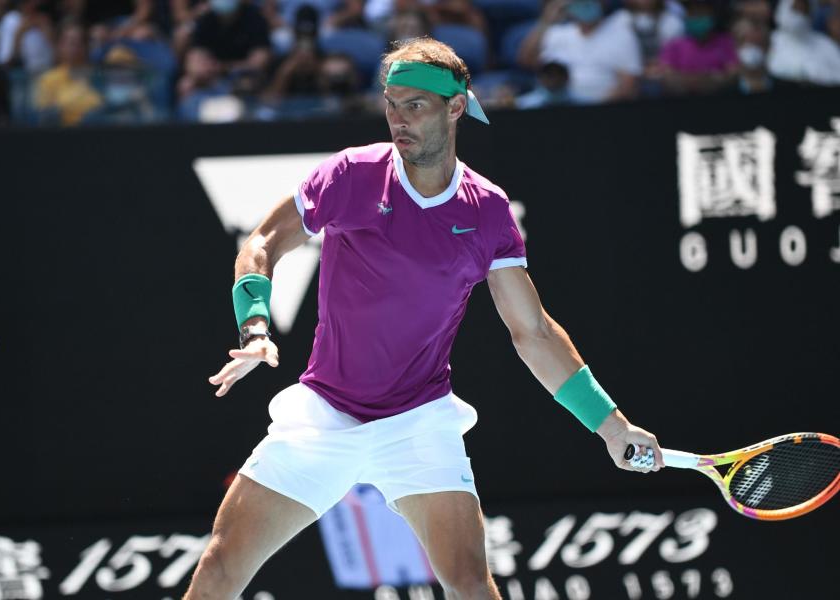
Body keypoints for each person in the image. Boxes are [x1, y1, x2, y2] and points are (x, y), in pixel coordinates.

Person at [185, 37, 664, 600]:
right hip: (324, 415)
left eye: (416, 105)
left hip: (417, 423)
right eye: (392, 103)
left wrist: (612, 427)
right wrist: (256, 325)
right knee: (218, 570)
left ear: (454, 108)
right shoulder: (352, 175)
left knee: (469, 585)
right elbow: (262, 242)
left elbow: (532, 332)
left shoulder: (486, 211)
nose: (399, 119)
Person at [519, 0, 643, 103]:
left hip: (600, 111)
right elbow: (526, 60)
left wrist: (589, 110)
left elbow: (628, 87)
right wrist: (546, 21)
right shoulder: (556, 33)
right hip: (555, 106)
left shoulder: (621, 35)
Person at [657, 0, 739, 95]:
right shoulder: (674, 45)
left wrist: (698, 80)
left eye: (701, 13)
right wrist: (710, 78)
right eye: (693, 13)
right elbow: (667, 76)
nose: (697, 17)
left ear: (712, 15)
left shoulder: (725, 42)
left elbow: (733, 73)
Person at [34, 21, 104, 125]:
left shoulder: (99, 75)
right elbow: (45, 114)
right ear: (60, 46)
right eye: (70, 43)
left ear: (86, 46)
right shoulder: (48, 79)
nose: (75, 48)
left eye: (80, 43)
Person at [767, 0, 840, 85]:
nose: (799, 16)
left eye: (803, 10)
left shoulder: (825, 43)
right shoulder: (769, 40)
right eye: (796, 9)